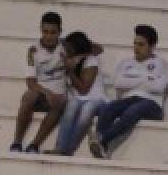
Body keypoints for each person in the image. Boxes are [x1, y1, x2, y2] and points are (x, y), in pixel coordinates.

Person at [90, 25, 168, 158]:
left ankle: (101, 140)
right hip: (129, 99)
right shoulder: (126, 62)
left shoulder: (161, 63)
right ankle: (99, 143)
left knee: (131, 112)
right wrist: (146, 79)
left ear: (152, 46)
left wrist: (133, 80)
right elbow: (119, 83)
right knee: (108, 108)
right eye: (135, 43)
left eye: (141, 44)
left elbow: (158, 87)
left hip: (152, 104)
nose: (136, 48)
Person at [11, 11, 66, 153]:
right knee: (29, 96)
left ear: (60, 32)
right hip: (41, 94)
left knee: (60, 101)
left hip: (58, 98)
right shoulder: (33, 50)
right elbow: (30, 82)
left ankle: (34, 145)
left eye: (53, 32)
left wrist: (78, 51)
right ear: (41, 30)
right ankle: (16, 143)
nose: (48, 36)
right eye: (45, 31)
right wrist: (47, 93)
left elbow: (97, 48)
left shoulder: (66, 45)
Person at [51, 30, 109, 156]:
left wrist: (70, 71)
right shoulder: (66, 55)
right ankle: (60, 147)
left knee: (87, 109)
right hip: (78, 100)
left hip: (97, 100)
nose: (67, 50)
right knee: (72, 105)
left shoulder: (91, 60)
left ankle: (68, 150)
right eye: (66, 47)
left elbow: (84, 89)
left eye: (70, 47)